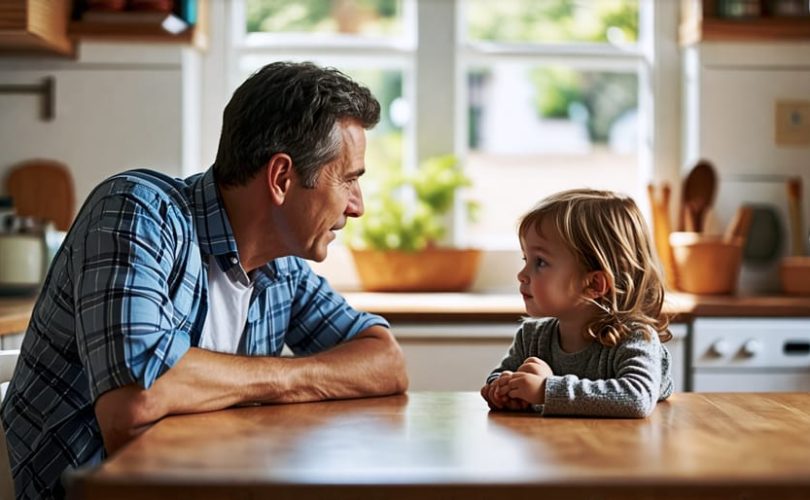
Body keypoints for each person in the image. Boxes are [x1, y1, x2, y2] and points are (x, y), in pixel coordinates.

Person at [1, 61, 408, 499]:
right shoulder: (137, 213)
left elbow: (386, 361)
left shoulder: (280, 268)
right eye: (348, 179)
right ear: (282, 178)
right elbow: (136, 399)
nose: (357, 206)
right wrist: (288, 379)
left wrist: (260, 379)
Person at [480, 189, 673, 418]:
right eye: (526, 259)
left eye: (540, 262)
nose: (522, 274)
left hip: (620, 449)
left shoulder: (635, 338)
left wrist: (545, 389)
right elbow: (500, 374)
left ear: (593, 284)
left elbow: (636, 397)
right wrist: (502, 389)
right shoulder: (532, 337)